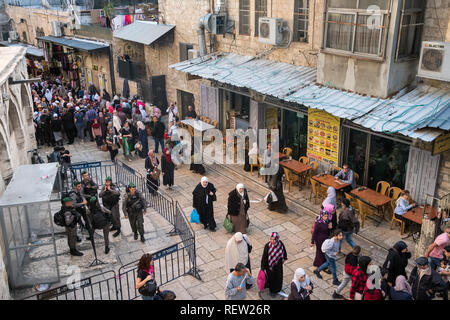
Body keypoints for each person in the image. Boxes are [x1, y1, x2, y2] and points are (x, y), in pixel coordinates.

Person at [261, 232, 288, 297]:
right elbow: (264, 256)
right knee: (271, 278)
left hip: (278, 265)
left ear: (277, 239)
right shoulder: (267, 246)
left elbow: (284, 251)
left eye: (274, 239)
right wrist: (262, 267)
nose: (272, 241)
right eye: (271, 239)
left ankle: (277, 289)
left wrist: (284, 258)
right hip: (269, 266)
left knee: (278, 277)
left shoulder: (280, 244)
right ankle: (272, 290)